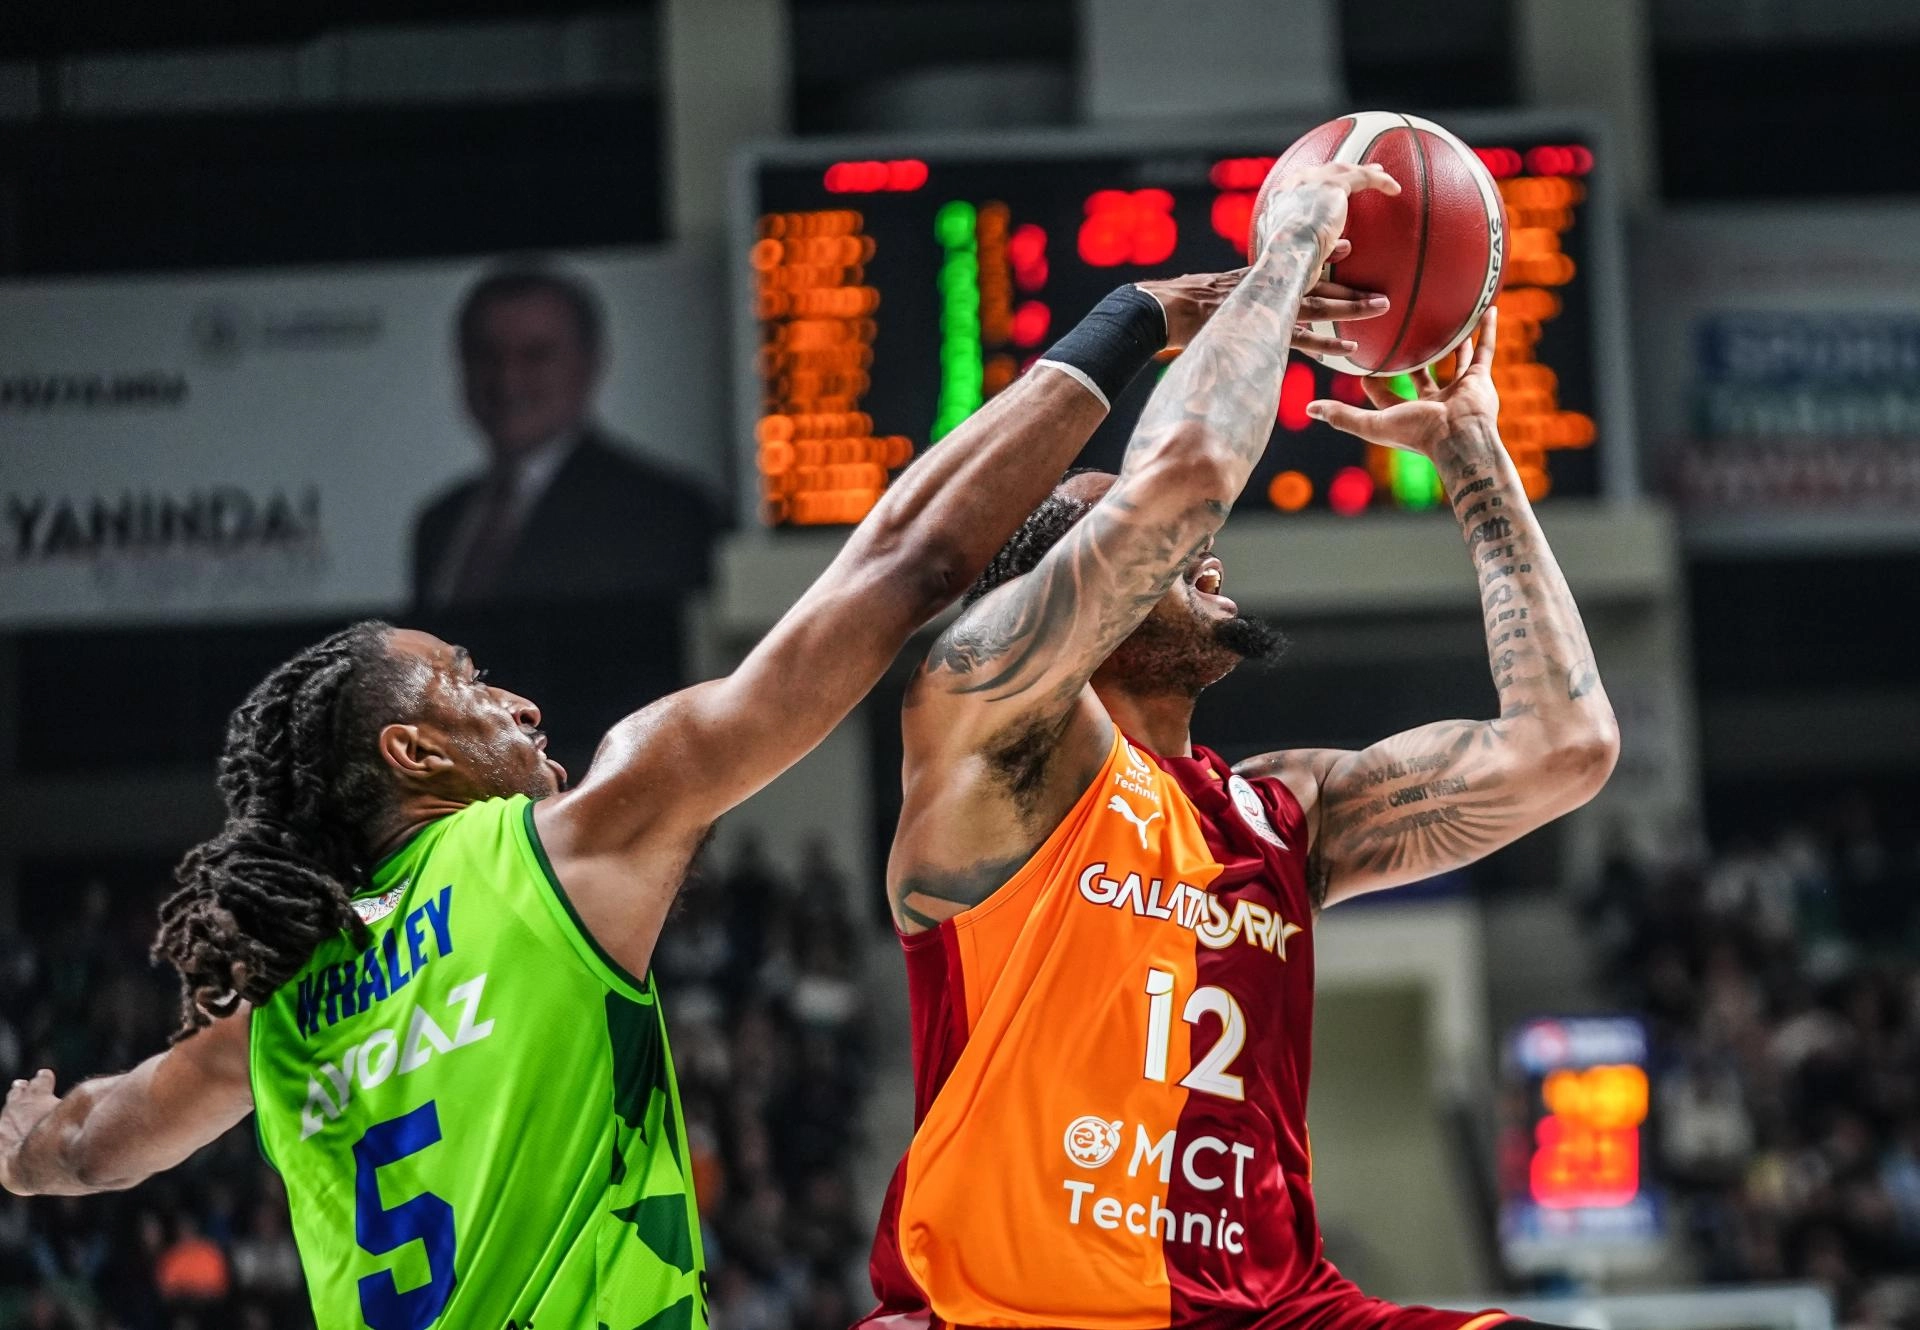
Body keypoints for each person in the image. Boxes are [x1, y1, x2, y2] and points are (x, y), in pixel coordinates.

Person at [0, 164, 1393, 1330]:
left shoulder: (281, 1016)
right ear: (414, 755)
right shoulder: (564, 846)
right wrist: (1124, 322)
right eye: (470, 685)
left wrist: (28, 1141)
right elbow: (909, 565)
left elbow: (86, 1149)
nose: (519, 704)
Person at [862, 221, 1621, 1325]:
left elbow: (1566, 746)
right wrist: (1293, 244)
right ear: (1074, 587)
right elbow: (1181, 486)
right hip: (1020, 1308)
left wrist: (1474, 459)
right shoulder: (990, 735)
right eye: (1143, 541)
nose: (1207, 554)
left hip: (1275, 1309)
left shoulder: (1281, 814)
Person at [412, 265, 720, 608]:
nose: (508, 380)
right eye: (487, 355)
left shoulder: (664, 514)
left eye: (536, 355)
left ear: (590, 364)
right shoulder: (438, 522)